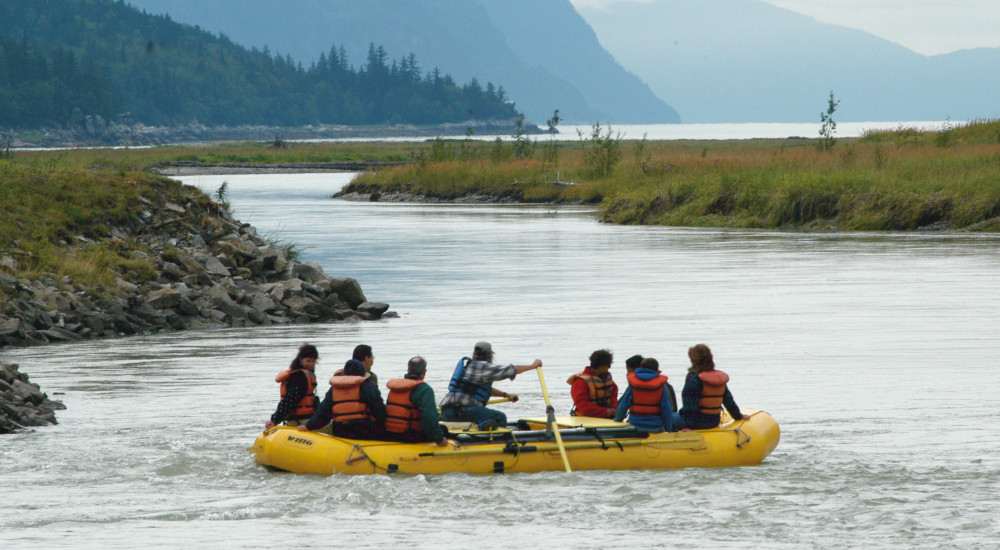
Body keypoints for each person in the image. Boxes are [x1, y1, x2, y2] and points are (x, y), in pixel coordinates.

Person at [439, 341, 542, 431]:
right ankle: (498, 443)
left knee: (486, 418)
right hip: (463, 411)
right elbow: (511, 370)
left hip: (446, 411)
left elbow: (482, 389)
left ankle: (483, 429)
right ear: (489, 355)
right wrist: (532, 366)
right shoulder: (483, 366)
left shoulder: (469, 366)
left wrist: (506, 395)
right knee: (499, 417)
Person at [299, 359, 386, 439]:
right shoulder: (367, 387)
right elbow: (380, 411)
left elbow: (323, 413)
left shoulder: (334, 389)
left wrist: (308, 426)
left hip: (340, 432)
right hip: (363, 431)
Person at [673, 344, 749, 430]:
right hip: (714, 421)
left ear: (694, 360)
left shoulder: (694, 379)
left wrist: (687, 426)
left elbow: (690, 406)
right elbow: (729, 401)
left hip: (697, 423)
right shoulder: (718, 378)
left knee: (671, 417)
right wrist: (738, 416)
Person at [384, 356, 448, 446]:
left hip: (390, 433)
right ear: (424, 372)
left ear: (408, 369)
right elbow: (429, 419)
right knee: (443, 429)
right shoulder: (424, 389)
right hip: (409, 435)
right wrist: (440, 439)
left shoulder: (395, 388)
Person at [265, 344, 319, 430]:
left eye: (313, 361)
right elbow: (289, 400)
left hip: (306, 418)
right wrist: (275, 420)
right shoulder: (299, 377)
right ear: (301, 360)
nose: (311, 364)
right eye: (308, 361)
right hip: (299, 421)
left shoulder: (305, 375)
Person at [614, 357, 675, 433]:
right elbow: (667, 411)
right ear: (656, 369)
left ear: (641, 367)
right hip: (656, 428)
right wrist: (668, 429)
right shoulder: (662, 387)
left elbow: (622, 407)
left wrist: (618, 419)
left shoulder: (633, 386)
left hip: (635, 426)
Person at [567, 348, 619, 418]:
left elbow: (614, 398)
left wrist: (614, 410)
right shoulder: (580, 383)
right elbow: (583, 407)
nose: (609, 367)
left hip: (607, 418)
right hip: (585, 419)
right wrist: (606, 412)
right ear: (602, 365)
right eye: (608, 364)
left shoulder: (609, 381)